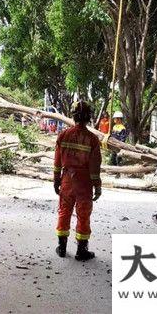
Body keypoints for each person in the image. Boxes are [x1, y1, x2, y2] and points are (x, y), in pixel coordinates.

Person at [53, 101, 102, 261]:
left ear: (73, 116)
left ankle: (62, 248)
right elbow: (95, 167)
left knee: (64, 211)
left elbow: (57, 162)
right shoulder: (92, 139)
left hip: (67, 180)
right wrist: (97, 186)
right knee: (83, 214)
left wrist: (56, 180)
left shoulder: (63, 135)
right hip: (84, 182)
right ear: (89, 117)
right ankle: (82, 251)